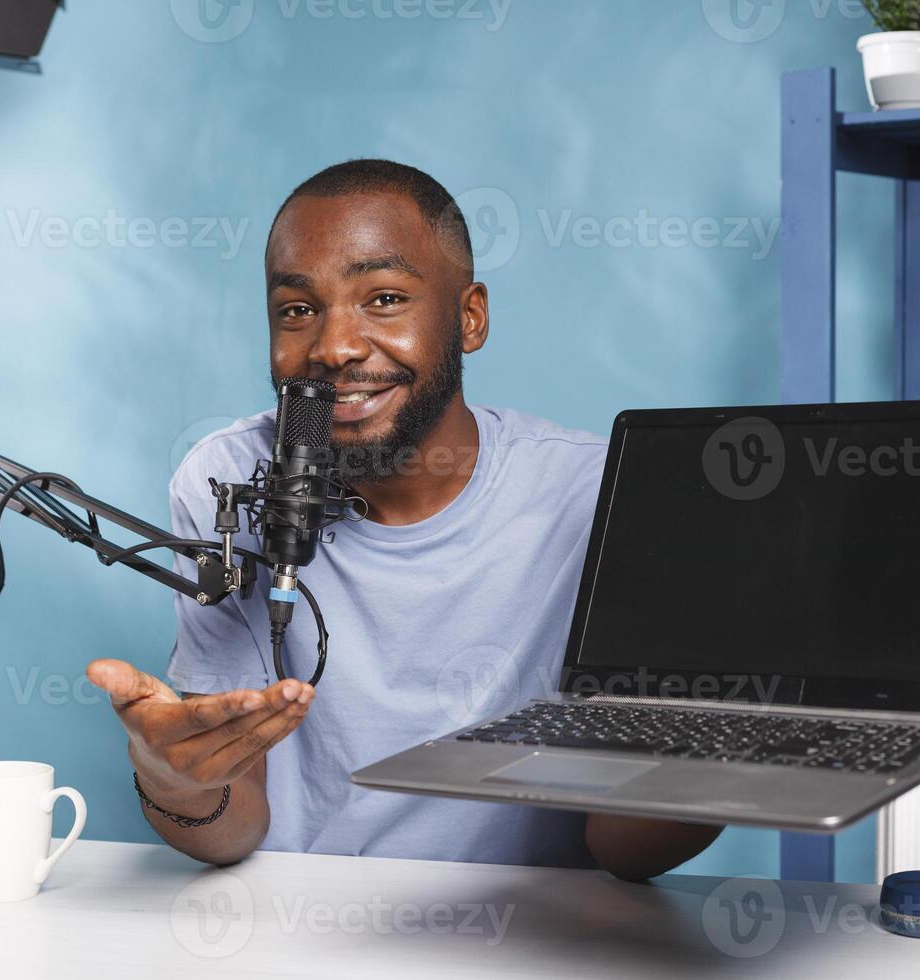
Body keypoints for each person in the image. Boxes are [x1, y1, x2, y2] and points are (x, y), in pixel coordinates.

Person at [86, 160, 722, 880]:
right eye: (297, 310)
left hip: (535, 935)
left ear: (470, 317)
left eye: (383, 298)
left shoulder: (603, 494)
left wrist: (714, 739)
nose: (334, 348)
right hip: (300, 925)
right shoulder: (226, 480)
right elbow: (232, 827)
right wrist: (174, 778)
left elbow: (624, 851)